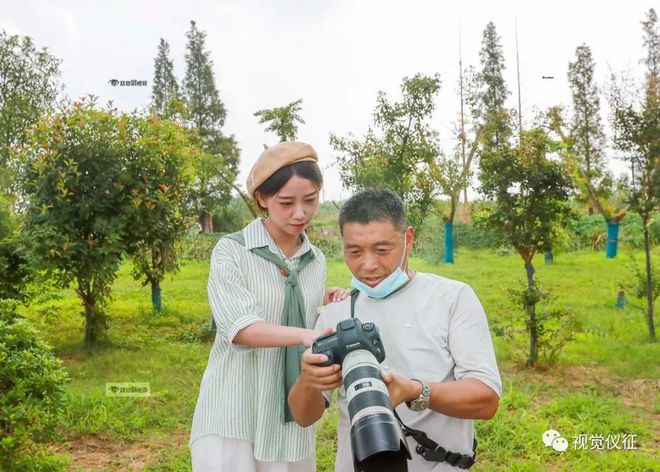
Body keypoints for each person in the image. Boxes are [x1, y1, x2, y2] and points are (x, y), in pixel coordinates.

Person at [289, 189, 502, 471]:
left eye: (382, 250)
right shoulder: (334, 313)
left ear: (408, 239)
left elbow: (486, 400)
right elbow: (304, 416)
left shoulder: (452, 299)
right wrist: (308, 380)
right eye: (354, 251)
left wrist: (414, 391)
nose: (368, 265)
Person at [190, 142, 346, 472]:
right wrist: (306, 333)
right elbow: (242, 328)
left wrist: (322, 304)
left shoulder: (315, 260)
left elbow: (291, 312)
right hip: (235, 407)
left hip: (287, 412)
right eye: (286, 203)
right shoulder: (232, 251)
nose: (301, 213)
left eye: (311, 199)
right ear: (262, 199)